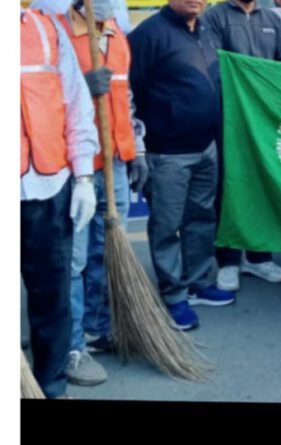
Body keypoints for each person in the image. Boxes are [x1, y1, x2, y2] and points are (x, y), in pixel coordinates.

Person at [54, 0, 148, 386]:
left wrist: (138, 147)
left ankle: (98, 326)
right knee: (74, 259)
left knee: (106, 249)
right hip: (76, 166)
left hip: (116, 161)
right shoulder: (58, 34)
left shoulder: (116, 35)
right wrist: (78, 85)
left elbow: (126, 99)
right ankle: (71, 344)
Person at [129, 0, 235, 331]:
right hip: (167, 153)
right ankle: (173, 294)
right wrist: (139, 146)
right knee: (167, 226)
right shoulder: (148, 35)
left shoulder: (205, 31)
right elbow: (130, 91)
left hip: (206, 148)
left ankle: (198, 282)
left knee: (202, 218)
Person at [21, 6, 98, 398]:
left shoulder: (47, 27)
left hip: (49, 186)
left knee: (52, 297)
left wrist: (84, 177)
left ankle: (50, 386)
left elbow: (76, 105)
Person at [203, 0, 281, 292]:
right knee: (227, 187)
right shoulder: (214, 17)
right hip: (229, 116)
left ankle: (259, 257)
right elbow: (216, 66)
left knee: (262, 185)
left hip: (264, 119)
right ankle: (228, 260)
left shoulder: (272, 19)